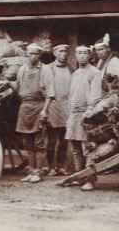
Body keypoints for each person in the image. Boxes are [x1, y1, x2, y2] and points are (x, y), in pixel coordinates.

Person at [6, 43, 55, 183]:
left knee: (39, 142)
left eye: (36, 54)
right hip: (24, 108)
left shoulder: (45, 70)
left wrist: (45, 110)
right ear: (27, 54)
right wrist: (8, 83)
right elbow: (18, 89)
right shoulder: (22, 69)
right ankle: (31, 170)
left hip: (39, 106)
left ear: (40, 55)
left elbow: (50, 93)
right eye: (30, 54)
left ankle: (38, 172)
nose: (33, 56)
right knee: (27, 143)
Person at [66, 44, 102, 191]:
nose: (81, 56)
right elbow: (71, 95)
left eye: (84, 53)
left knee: (87, 148)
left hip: (87, 113)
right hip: (74, 113)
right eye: (78, 53)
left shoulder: (94, 72)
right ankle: (79, 176)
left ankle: (90, 180)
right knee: (75, 148)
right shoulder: (75, 73)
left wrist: (90, 110)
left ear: (89, 56)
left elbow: (95, 93)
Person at [45, 43, 73, 176]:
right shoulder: (48, 69)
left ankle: (61, 166)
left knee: (64, 139)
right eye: (61, 51)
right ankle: (51, 166)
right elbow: (42, 87)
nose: (63, 54)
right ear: (55, 53)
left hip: (67, 107)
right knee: (52, 139)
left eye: (65, 52)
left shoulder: (71, 69)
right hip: (53, 106)